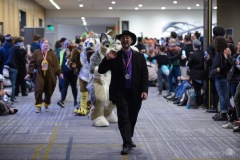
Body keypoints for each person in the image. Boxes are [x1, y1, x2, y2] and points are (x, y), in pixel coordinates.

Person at [98, 30, 148, 155]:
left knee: (132, 117)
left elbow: (144, 75)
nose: (126, 40)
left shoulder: (139, 56)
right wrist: (107, 59)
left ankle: (128, 138)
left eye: (128, 38)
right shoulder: (114, 55)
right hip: (120, 93)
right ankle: (126, 143)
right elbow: (101, 70)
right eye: (123, 38)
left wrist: (144, 90)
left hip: (135, 93)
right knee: (123, 118)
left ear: (131, 41)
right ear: (121, 41)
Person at [25, 38, 63, 113]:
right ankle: (38, 105)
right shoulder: (37, 52)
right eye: (44, 43)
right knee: (38, 90)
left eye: (47, 43)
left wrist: (59, 73)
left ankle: (46, 104)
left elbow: (56, 65)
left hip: (50, 75)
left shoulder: (52, 53)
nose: (46, 44)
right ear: (41, 44)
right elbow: (32, 64)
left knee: (49, 90)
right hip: (39, 74)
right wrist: (29, 73)